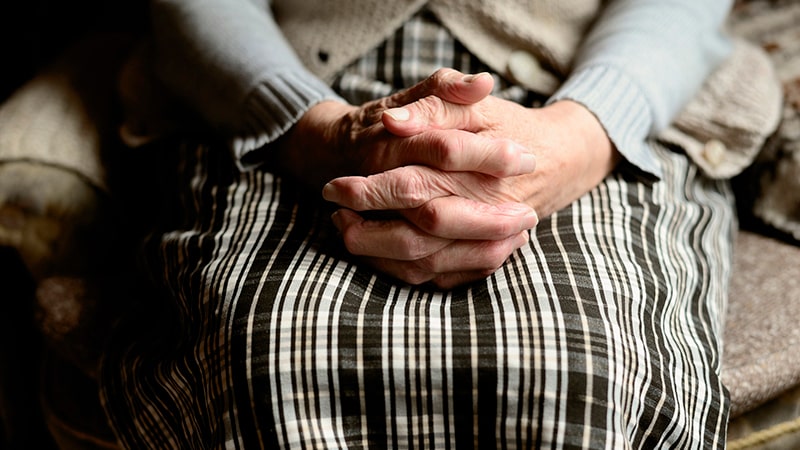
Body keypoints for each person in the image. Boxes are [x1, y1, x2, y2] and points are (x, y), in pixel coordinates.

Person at [98, 0, 779, 448]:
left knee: (585, 374)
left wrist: (579, 136)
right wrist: (319, 133)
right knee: (266, 365)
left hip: (593, 91)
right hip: (285, 93)